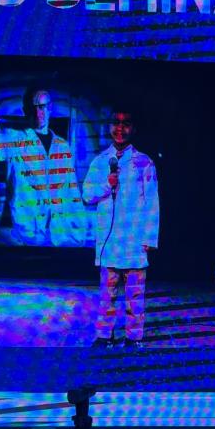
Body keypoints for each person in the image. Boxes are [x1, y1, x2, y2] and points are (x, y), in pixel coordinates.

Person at [82, 109, 159, 348]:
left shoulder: (144, 162)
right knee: (107, 294)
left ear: (133, 129)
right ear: (109, 126)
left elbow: (152, 202)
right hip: (110, 241)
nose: (120, 128)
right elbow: (87, 195)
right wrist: (107, 184)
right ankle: (104, 335)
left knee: (134, 295)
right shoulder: (99, 162)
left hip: (134, 240)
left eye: (126, 124)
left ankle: (134, 337)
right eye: (116, 122)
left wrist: (149, 238)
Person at [0, 88, 85, 246]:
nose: (38, 112)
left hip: (56, 233)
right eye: (33, 108)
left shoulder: (62, 147)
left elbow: (71, 188)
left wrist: (79, 227)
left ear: (50, 107)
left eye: (42, 107)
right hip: (23, 232)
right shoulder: (15, 140)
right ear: (25, 110)